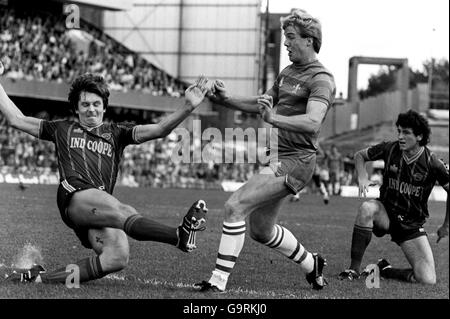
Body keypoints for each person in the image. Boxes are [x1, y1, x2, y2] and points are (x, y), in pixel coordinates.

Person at [0, 62, 209, 285]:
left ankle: (39, 278)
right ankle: (178, 236)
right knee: (123, 210)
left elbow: (160, 129)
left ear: (104, 107)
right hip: (74, 195)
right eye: (85, 104)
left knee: (117, 257)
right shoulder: (60, 128)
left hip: (98, 209)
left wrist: (188, 107)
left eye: (96, 104)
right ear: (76, 108)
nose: (91, 109)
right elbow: (17, 119)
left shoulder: (118, 133)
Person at [195, 8, 336, 292]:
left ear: (309, 40)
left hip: (296, 161)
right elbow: (262, 104)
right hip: (278, 157)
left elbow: (312, 122)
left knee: (235, 206)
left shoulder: (321, 79)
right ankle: (312, 264)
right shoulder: (287, 73)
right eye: (285, 37)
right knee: (261, 230)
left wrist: (274, 119)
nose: (285, 44)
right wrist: (224, 99)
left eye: (291, 38)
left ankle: (217, 281)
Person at [339, 110, 449, 284]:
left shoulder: (432, 162)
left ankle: (385, 270)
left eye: (406, 133)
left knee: (427, 279)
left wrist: (446, 225)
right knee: (367, 208)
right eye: (399, 131)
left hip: (411, 225)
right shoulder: (390, 149)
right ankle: (353, 268)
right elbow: (360, 155)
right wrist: (362, 177)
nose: (400, 137)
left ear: (419, 136)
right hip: (386, 214)